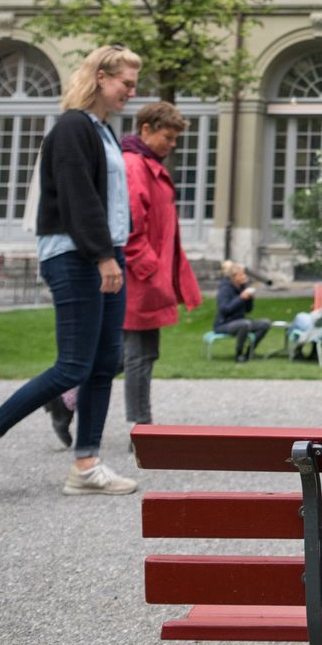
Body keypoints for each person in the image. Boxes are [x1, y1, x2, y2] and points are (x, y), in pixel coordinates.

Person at [0, 44, 144, 502]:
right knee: (73, 364)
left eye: (134, 84)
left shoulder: (102, 131)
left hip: (104, 252)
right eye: (125, 83)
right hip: (76, 256)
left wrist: (112, 250)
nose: (131, 92)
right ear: (100, 78)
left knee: (101, 365)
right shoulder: (74, 127)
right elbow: (79, 198)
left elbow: (108, 201)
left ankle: (86, 465)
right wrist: (102, 255)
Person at [119, 101, 202, 423]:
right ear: (146, 130)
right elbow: (129, 225)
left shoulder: (146, 164)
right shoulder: (135, 166)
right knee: (139, 353)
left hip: (149, 274)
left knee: (130, 353)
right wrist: (150, 268)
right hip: (141, 276)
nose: (172, 145)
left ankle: (64, 397)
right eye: (167, 137)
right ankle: (142, 426)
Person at [214, 261, 271, 363]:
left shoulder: (243, 287)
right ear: (234, 277)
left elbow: (249, 310)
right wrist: (241, 298)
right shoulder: (225, 289)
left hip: (241, 321)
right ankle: (239, 354)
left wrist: (250, 299)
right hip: (224, 324)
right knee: (244, 324)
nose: (245, 277)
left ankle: (249, 352)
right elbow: (224, 309)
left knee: (265, 323)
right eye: (242, 275)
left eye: (244, 274)